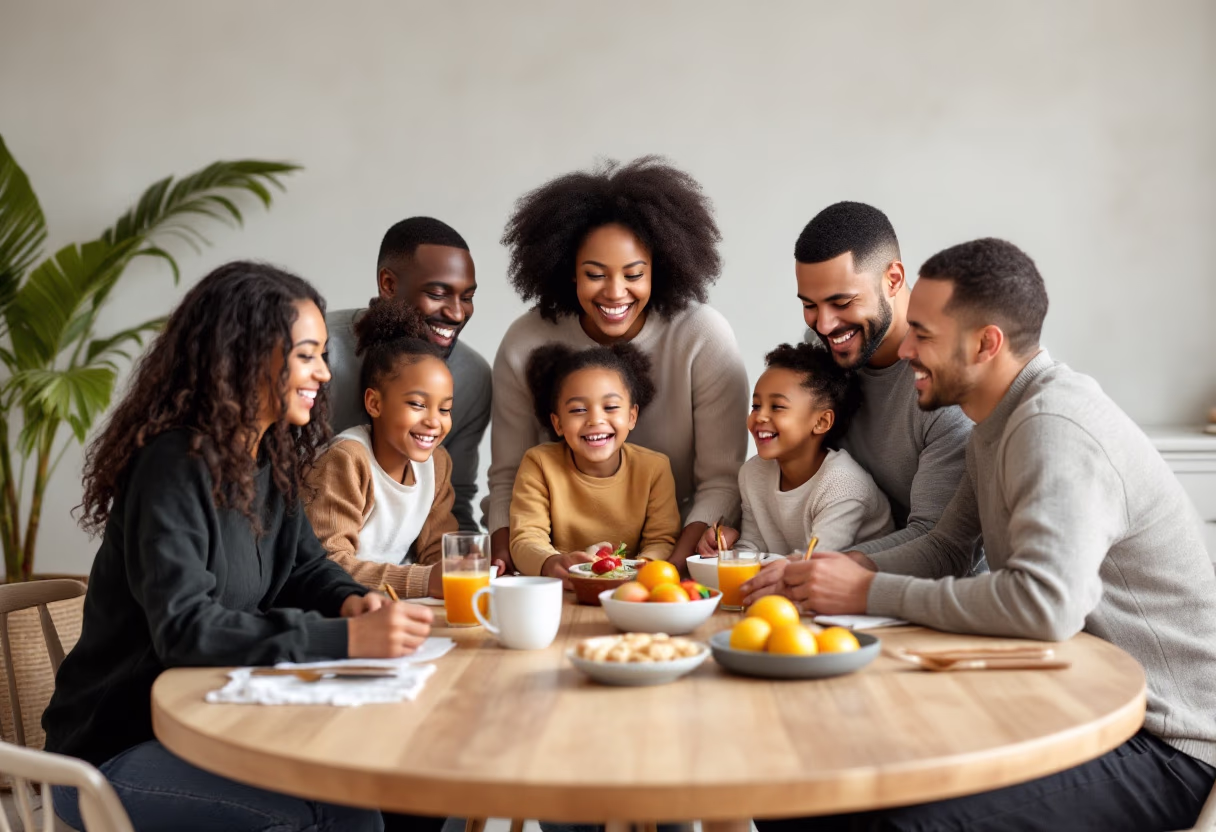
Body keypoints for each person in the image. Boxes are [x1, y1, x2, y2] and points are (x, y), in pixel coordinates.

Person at [760, 239, 1216, 830]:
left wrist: (866, 592)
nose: (905, 351)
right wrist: (835, 574)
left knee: (894, 823)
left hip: (1164, 738)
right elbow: (947, 547)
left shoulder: (1054, 426)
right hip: (1076, 697)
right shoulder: (994, 426)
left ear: (986, 343)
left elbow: (1044, 604)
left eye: (922, 335)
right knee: (810, 787)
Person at [44, 262, 434, 831]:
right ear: (244, 355)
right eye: (306, 354)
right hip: (114, 752)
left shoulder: (268, 457)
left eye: (322, 354)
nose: (324, 374)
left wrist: (353, 601)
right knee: (326, 815)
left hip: (215, 720)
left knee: (361, 799)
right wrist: (346, 637)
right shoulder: (174, 465)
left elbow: (305, 566)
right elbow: (184, 629)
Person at [488, 157, 749, 574]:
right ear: (569, 272)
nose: (615, 292)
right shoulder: (526, 341)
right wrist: (517, 565)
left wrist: (656, 574)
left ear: (658, 270)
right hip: (555, 568)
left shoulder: (702, 337)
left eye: (633, 274)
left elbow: (721, 481)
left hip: (671, 557)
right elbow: (507, 477)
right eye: (595, 274)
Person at [755, 202, 979, 587]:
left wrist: (816, 567)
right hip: (836, 573)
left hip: (935, 592)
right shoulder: (823, 348)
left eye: (842, 302)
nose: (824, 325)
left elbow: (941, 544)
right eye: (810, 305)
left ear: (893, 279)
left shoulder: (950, 386)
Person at [327, 217, 490, 533]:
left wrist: (471, 568)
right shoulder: (320, 354)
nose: (457, 314)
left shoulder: (472, 377)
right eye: (438, 293)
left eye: (467, 297)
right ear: (388, 284)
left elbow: (450, 503)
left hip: (408, 574)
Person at [306, 298, 461, 599]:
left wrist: (463, 568)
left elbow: (438, 552)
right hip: (339, 607)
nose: (434, 421)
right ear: (374, 403)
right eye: (417, 404)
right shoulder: (347, 460)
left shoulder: (437, 464)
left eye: (445, 409)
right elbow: (329, 565)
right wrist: (425, 580)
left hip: (393, 606)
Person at [698, 343, 891, 557]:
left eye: (777, 407)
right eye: (756, 406)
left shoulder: (843, 485)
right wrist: (725, 549)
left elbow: (813, 562)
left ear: (821, 422)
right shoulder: (752, 474)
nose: (759, 417)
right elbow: (753, 549)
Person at [510, 342, 681, 583]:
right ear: (557, 424)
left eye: (610, 407)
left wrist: (642, 567)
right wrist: (551, 563)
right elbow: (525, 539)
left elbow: (662, 541)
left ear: (632, 416)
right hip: (561, 589)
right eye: (578, 410)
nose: (595, 420)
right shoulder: (539, 463)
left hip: (629, 589)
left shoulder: (654, 468)